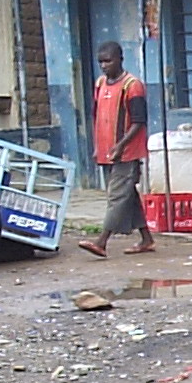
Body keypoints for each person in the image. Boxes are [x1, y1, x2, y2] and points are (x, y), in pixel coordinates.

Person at [78, 42, 155, 258]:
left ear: (120, 59)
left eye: (108, 61)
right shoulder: (100, 84)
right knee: (127, 195)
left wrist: (121, 144)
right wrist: (97, 147)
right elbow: (96, 116)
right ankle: (146, 238)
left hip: (127, 152)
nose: (104, 66)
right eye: (101, 61)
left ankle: (101, 241)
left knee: (116, 196)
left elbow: (139, 121)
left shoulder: (132, 86)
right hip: (106, 151)